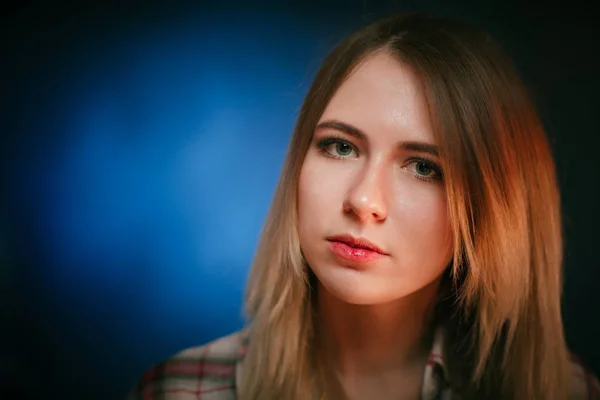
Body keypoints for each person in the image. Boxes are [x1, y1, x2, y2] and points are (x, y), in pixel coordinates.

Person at [127, 12, 600, 400]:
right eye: (340, 147)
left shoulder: (567, 392)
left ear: (495, 208)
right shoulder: (180, 390)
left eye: (424, 168)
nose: (364, 201)